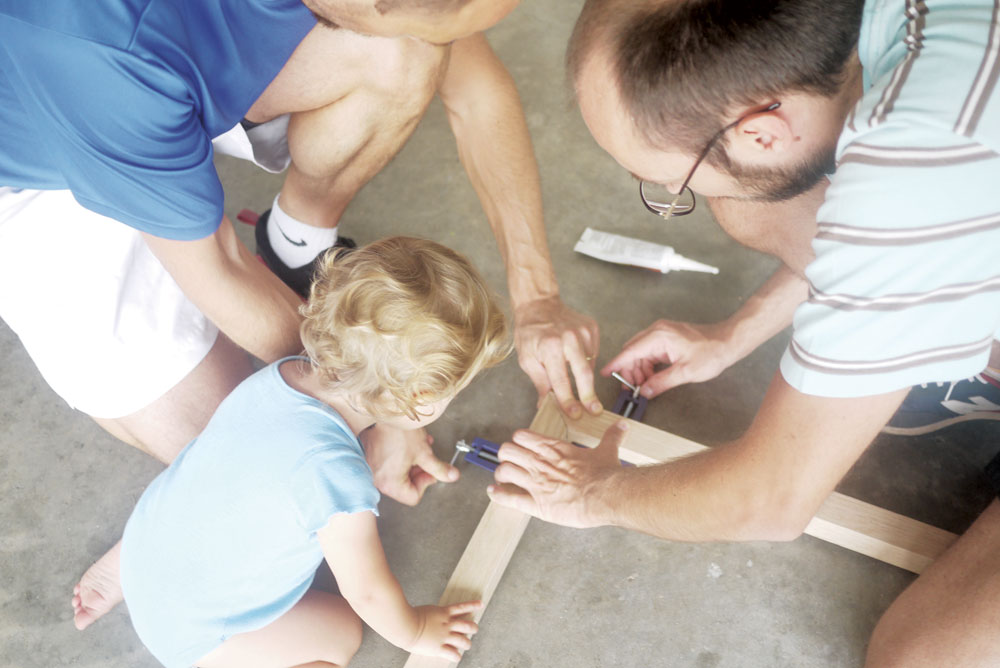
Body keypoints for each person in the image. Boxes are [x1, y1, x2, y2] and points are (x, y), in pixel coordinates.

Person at [0, 0, 596, 629]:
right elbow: (219, 267)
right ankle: (136, 555)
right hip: (33, 168)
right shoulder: (111, 64)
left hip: (148, 91)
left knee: (407, 50)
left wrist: (538, 297)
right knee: (273, 479)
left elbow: (473, 88)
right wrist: (377, 404)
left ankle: (294, 244)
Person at [488, 0, 1000, 664]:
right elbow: (899, 232)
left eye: (671, 185)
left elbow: (770, 498)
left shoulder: (915, 182)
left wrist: (592, 493)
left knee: (922, 658)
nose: (682, 197)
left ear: (761, 131)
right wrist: (734, 333)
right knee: (757, 207)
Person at [114, 236, 509, 667]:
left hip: (144, 553)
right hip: (196, 635)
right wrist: (416, 629)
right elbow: (368, 591)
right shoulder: (337, 477)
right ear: (419, 396)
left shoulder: (282, 375)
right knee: (340, 632)